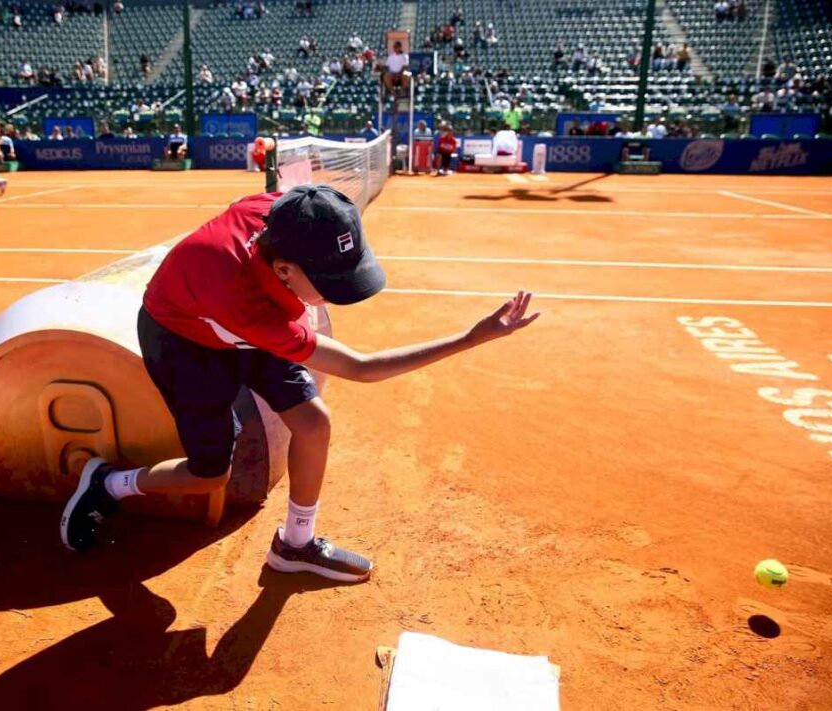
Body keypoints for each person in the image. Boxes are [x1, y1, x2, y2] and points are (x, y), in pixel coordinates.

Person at [59, 184, 540, 582]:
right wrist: (471, 338)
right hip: (184, 339)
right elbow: (361, 367)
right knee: (210, 476)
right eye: (331, 282)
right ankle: (110, 482)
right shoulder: (245, 300)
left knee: (312, 423)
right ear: (284, 270)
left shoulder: (287, 214)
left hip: (235, 314)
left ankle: (296, 545)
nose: (339, 291)